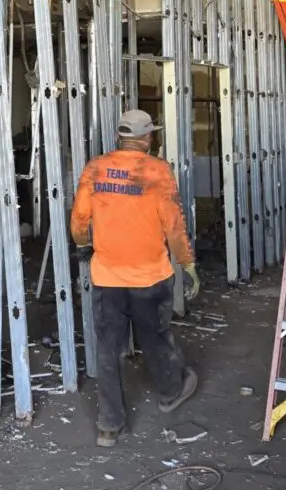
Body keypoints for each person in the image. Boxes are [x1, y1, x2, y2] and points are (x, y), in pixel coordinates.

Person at [70, 109, 200, 447]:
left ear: (120, 135)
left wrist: (85, 246)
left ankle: (109, 426)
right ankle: (170, 392)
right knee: (155, 336)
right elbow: (173, 224)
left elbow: (79, 219)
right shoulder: (157, 171)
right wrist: (187, 263)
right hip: (150, 276)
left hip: (108, 276)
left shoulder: (95, 168)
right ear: (148, 137)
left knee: (108, 348)